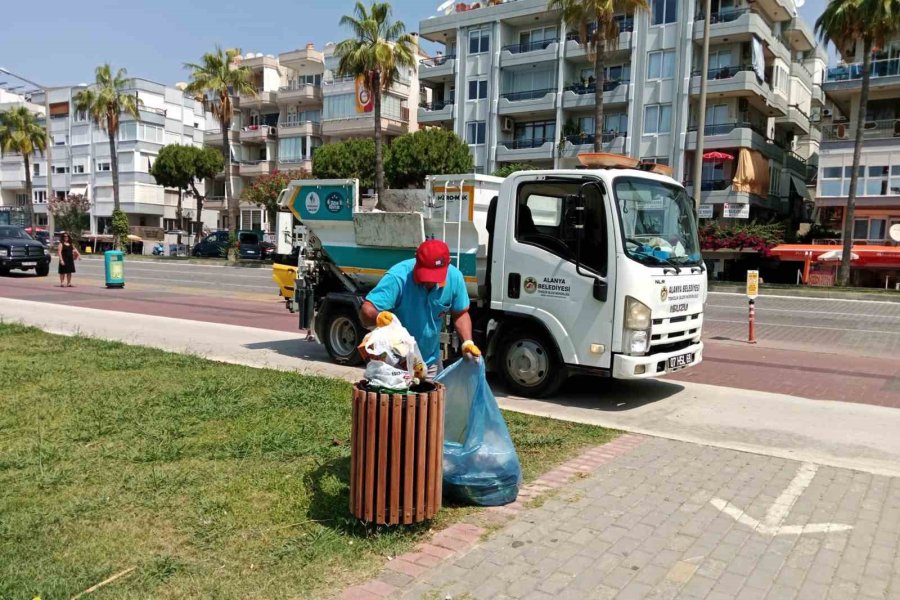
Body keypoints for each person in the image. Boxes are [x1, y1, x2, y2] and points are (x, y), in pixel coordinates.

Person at [360, 239, 481, 377]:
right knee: (398, 399)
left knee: (433, 398)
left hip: (430, 362)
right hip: (395, 363)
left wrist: (467, 342)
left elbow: (460, 314)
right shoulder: (398, 277)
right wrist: (378, 317)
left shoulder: (455, 278)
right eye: (425, 275)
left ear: (447, 265)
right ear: (416, 260)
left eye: (434, 276)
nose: (429, 282)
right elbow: (366, 309)